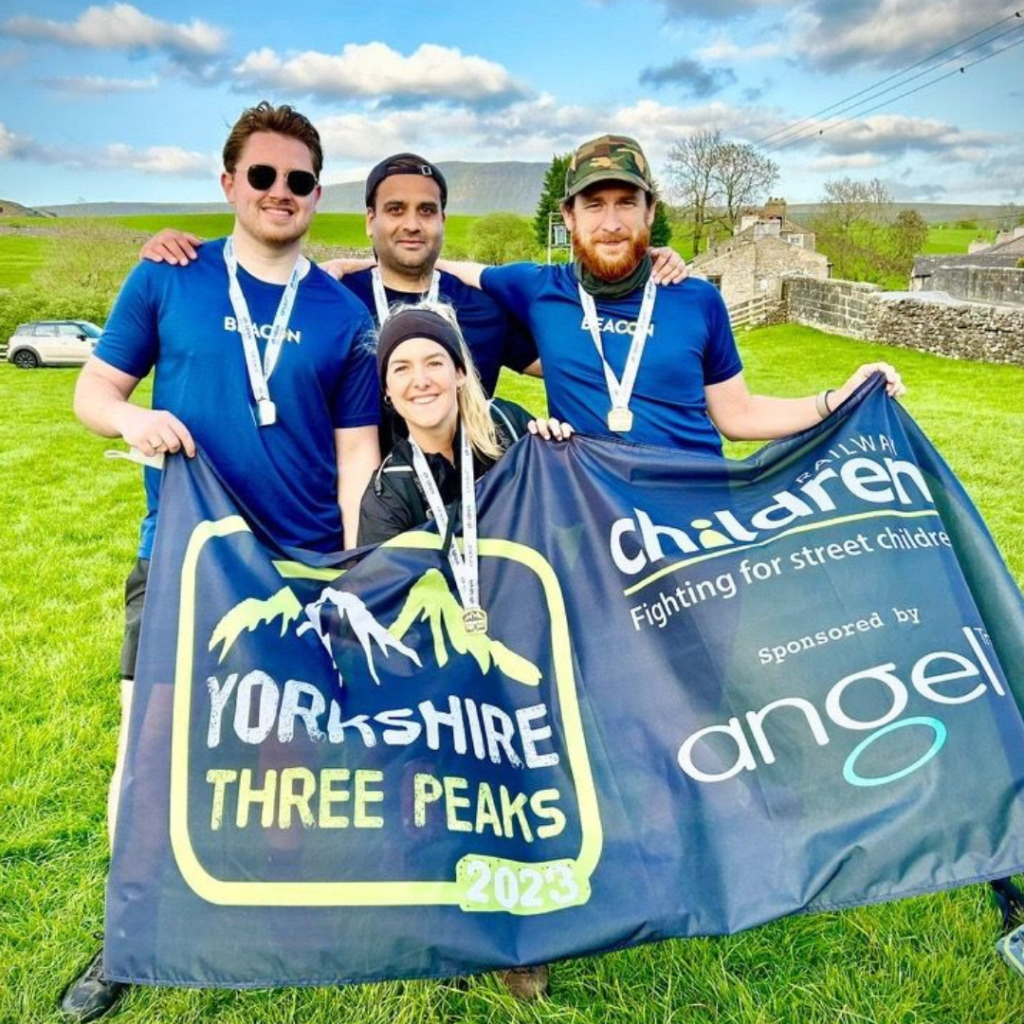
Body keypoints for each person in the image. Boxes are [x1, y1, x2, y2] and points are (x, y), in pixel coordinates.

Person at [64, 101, 381, 1022]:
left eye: (300, 180)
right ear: (229, 183)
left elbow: (357, 455)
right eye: (263, 175)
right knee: (151, 744)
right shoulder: (169, 276)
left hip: (300, 564)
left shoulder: (342, 314)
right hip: (183, 555)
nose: (281, 192)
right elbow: (94, 390)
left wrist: (358, 565)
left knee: (285, 751)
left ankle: (275, 910)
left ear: (317, 193)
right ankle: (130, 930)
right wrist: (132, 420)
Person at [436, 134, 904, 449]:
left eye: (626, 203)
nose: (612, 223)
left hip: (696, 523)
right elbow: (447, 268)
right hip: (597, 528)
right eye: (594, 205)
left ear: (650, 211)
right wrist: (386, 259)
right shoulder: (539, 288)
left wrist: (838, 399)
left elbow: (738, 417)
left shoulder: (697, 299)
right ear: (569, 216)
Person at [359, 302, 571, 998]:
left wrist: (558, 445)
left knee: (530, 782)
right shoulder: (389, 490)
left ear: (459, 372)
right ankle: (454, 926)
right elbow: (383, 606)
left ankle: (527, 930)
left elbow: (567, 506)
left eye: (433, 362)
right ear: (388, 392)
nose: (420, 379)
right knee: (450, 791)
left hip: (530, 635)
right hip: (442, 660)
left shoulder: (510, 430)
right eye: (401, 369)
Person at [136, 152, 690, 401]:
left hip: (469, 521)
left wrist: (643, 266)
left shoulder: (485, 309)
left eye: (427, 210)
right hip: (354, 517)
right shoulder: (330, 297)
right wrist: (188, 252)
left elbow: (586, 360)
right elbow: (246, 297)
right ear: (369, 219)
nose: (411, 224)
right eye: (395, 210)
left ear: (443, 220)